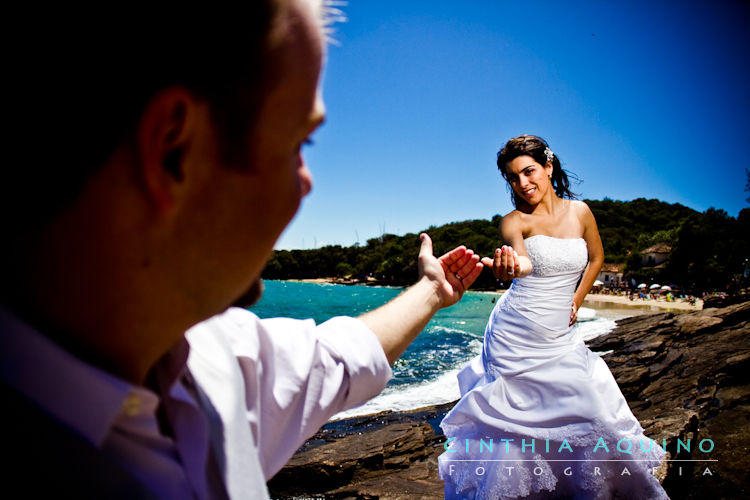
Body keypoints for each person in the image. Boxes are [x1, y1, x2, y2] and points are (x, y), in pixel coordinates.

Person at [0, 2, 485, 498]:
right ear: (174, 150)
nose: (306, 183)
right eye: (300, 142)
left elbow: (340, 358)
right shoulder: (218, 364)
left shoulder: (219, 359)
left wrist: (431, 290)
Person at [438, 135, 668, 499]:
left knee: (589, 411)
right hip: (515, 334)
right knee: (513, 427)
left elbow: (595, 258)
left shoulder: (581, 212)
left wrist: (576, 301)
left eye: (528, 171)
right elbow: (525, 262)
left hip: (560, 333)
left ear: (548, 166)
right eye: (513, 178)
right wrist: (510, 266)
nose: (522, 183)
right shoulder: (514, 221)